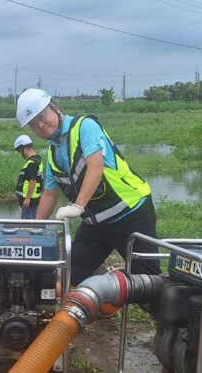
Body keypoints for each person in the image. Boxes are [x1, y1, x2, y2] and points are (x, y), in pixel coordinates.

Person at [16, 88, 161, 281]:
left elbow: (95, 167)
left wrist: (78, 206)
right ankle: (101, 286)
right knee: (71, 271)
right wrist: (37, 228)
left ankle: (117, 286)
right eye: (34, 124)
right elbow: (50, 194)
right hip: (96, 223)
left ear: (55, 108)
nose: (41, 125)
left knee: (146, 279)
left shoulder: (85, 126)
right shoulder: (53, 154)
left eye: (42, 117)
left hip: (131, 212)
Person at [13, 134, 43, 219]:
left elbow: (32, 181)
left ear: (23, 148)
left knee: (28, 227)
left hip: (30, 203)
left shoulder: (32, 163)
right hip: (33, 202)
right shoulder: (37, 158)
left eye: (19, 151)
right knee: (31, 226)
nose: (20, 154)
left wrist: (27, 199)